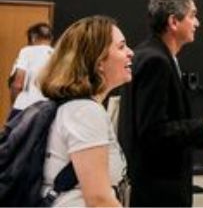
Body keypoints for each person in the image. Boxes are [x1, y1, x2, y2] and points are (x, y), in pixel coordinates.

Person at [118, 0, 203, 207]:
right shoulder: (156, 62)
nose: (197, 23)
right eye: (192, 16)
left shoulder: (153, 55)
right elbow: (153, 131)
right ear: (174, 22)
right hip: (157, 188)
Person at [38, 15, 133, 207]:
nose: (130, 52)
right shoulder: (85, 112)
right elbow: (99, 199)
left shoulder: (76, 108)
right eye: (121, 47)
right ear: (98, 62)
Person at [7, 23, 54, 121]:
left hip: (24, 106)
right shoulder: (56, 54)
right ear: (51, 38)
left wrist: (13, 104)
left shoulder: (27, 51)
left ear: (33, 37)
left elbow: (18, 84)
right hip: (47, 109)